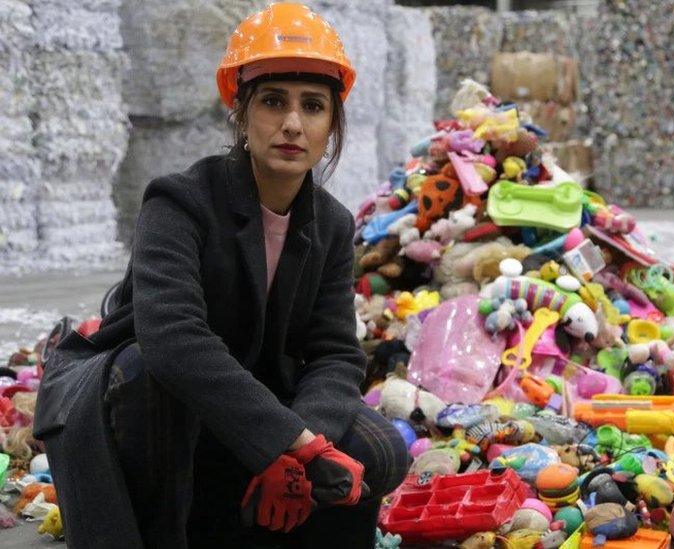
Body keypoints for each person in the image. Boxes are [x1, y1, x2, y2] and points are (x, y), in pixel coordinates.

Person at [34, 3, 409, 547]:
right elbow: (174, 341)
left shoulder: (331, 224)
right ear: (241, 110)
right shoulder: (178, 202)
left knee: (380, 449)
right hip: (163, 409)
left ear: (332, 124)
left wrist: (303, 454)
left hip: (259, 413)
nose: (292, 123)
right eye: (273, 101)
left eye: (313, 106)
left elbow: (335, 354)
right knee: (145, 377)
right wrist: (293, 442)